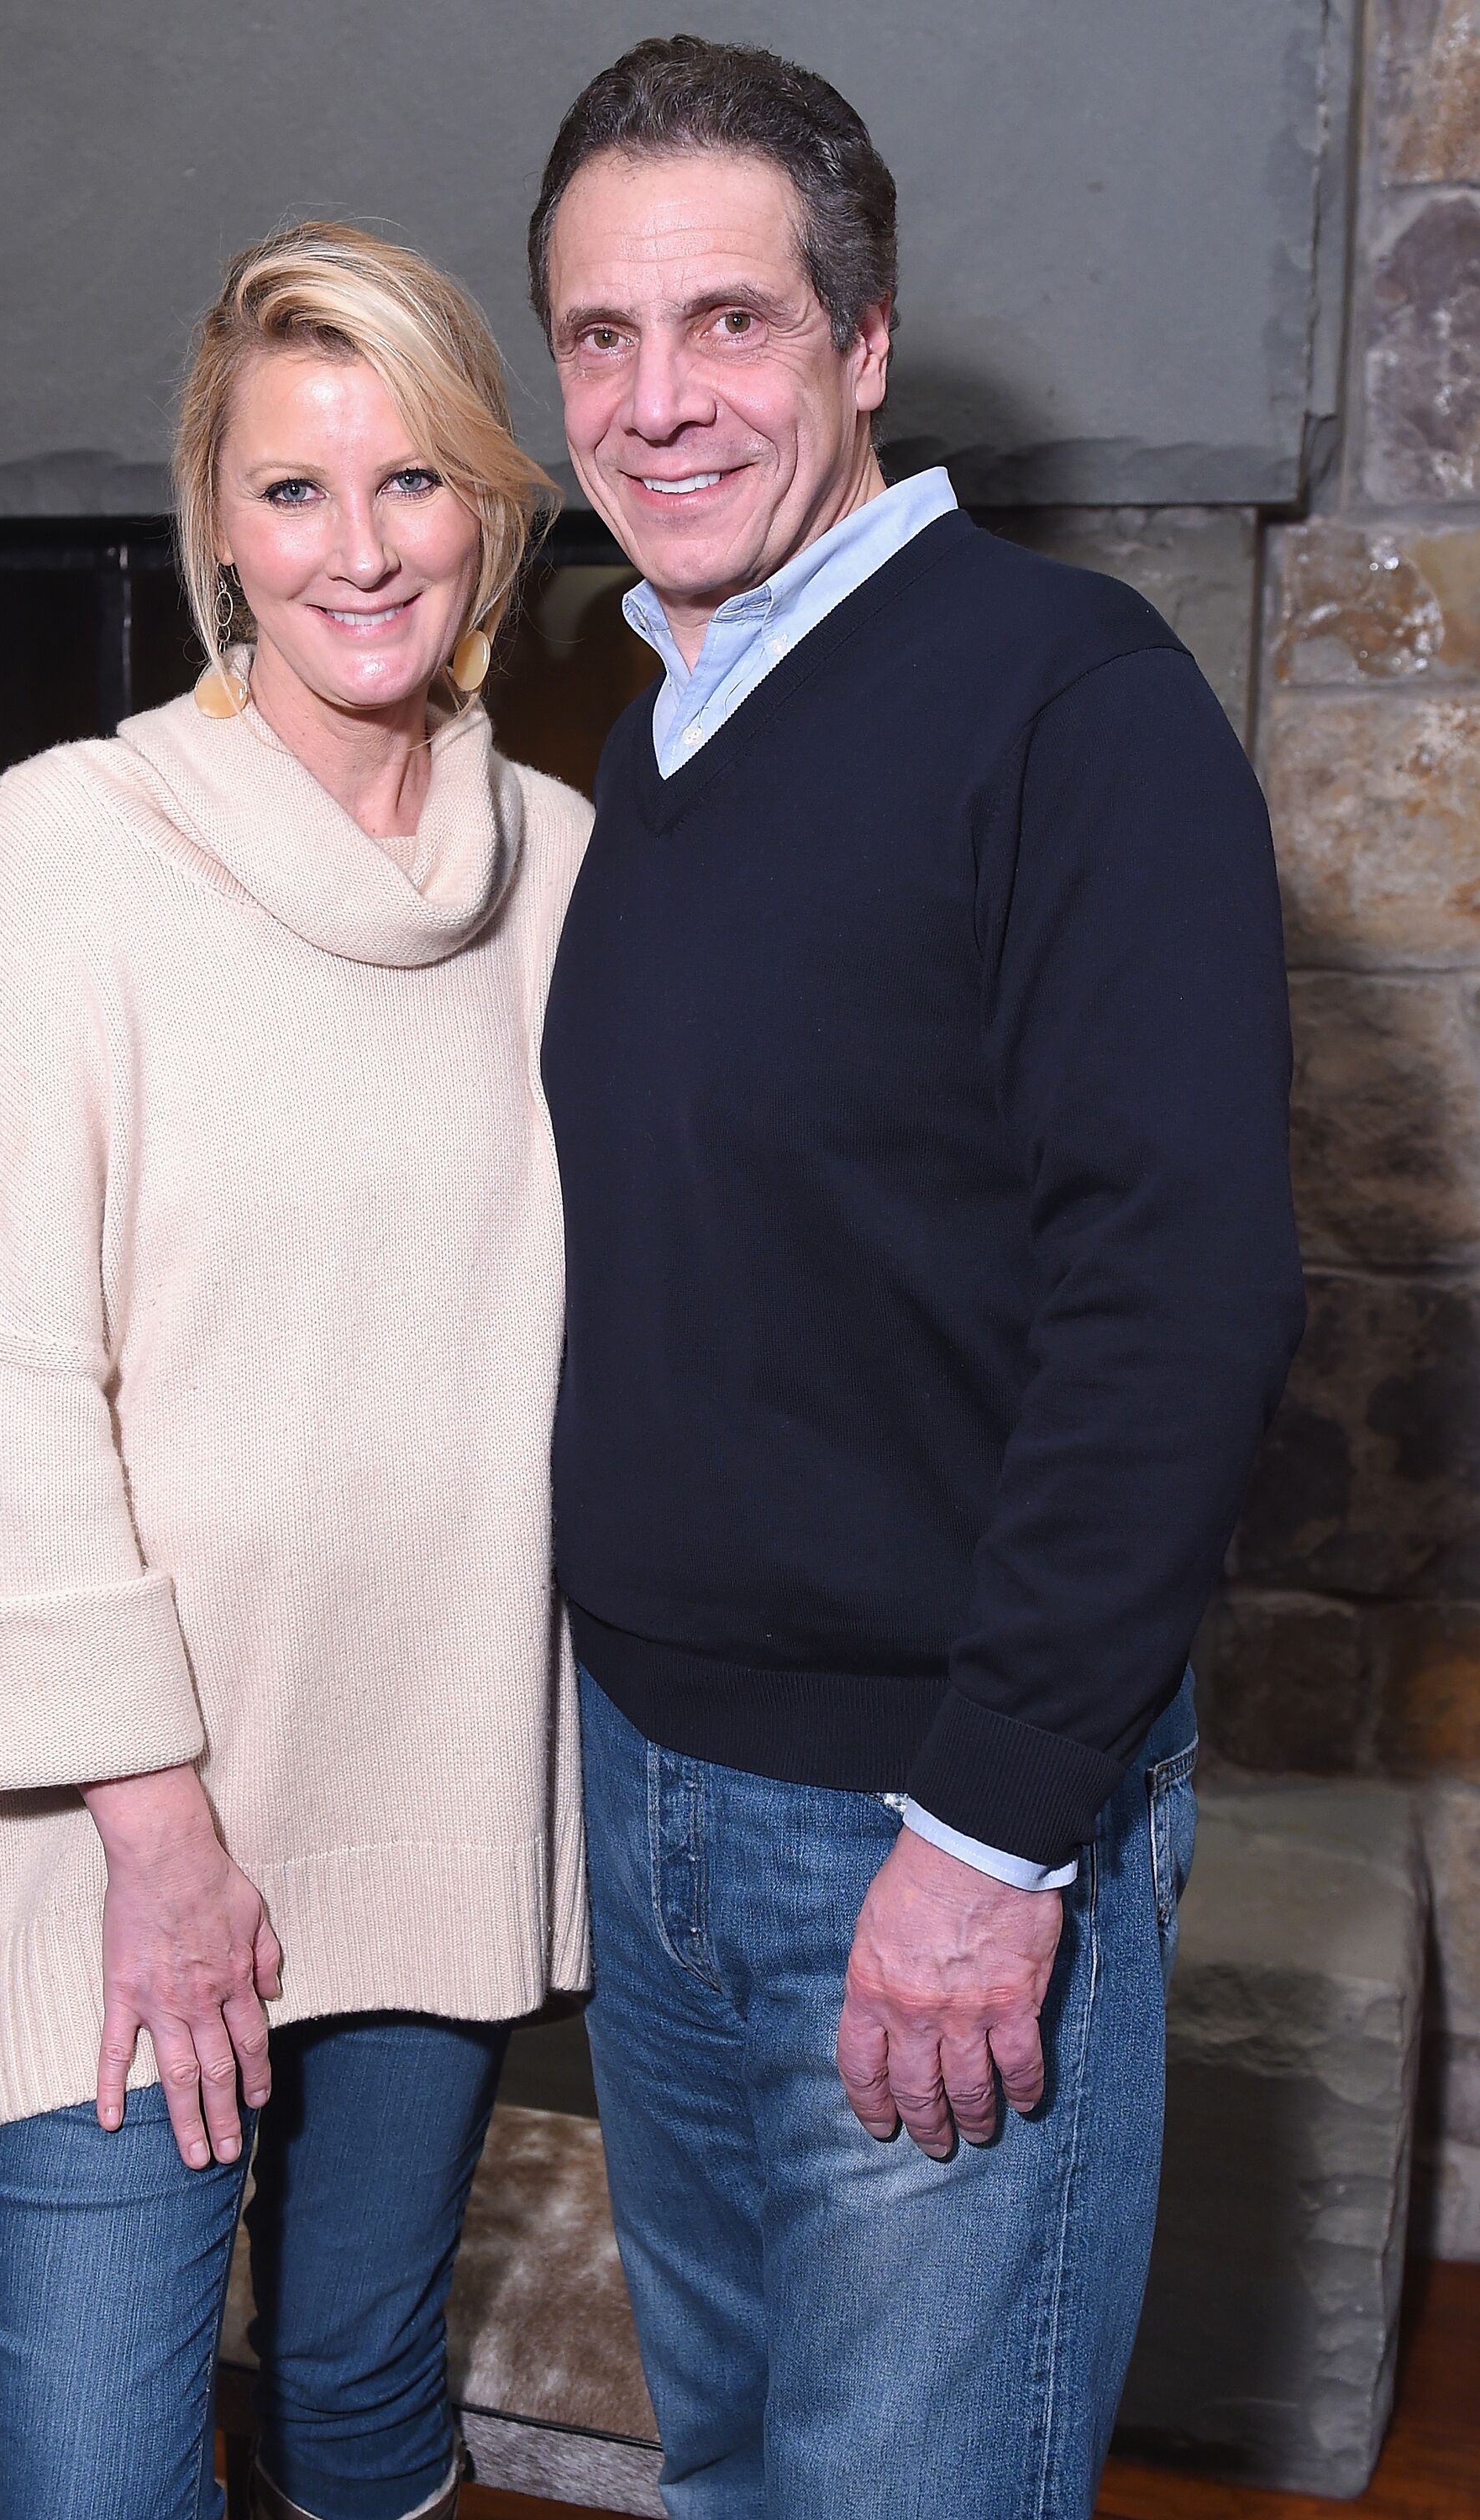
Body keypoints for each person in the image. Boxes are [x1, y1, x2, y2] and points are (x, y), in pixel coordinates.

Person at [530, 37, 1304, 2520]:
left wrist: (990, 1849)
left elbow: (1178, 1297)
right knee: (742, 2469)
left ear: (864, 344)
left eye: (731, 325)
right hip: (658, 1796)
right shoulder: (662, 730)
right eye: (602, 340)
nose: (661, 406)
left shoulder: (1072, 704)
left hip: (926, 1822)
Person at [0, 223, 592, 2520]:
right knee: (101, 2474)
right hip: (132, 1836)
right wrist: (157, 1831)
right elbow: (8, 1375)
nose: (357, 546)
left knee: (368, 2402)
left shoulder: (571, 877)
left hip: (430, 1771)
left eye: (410, 481)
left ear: (490, 511)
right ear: (213, 519)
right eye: (293, 490)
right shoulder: (76, 847)